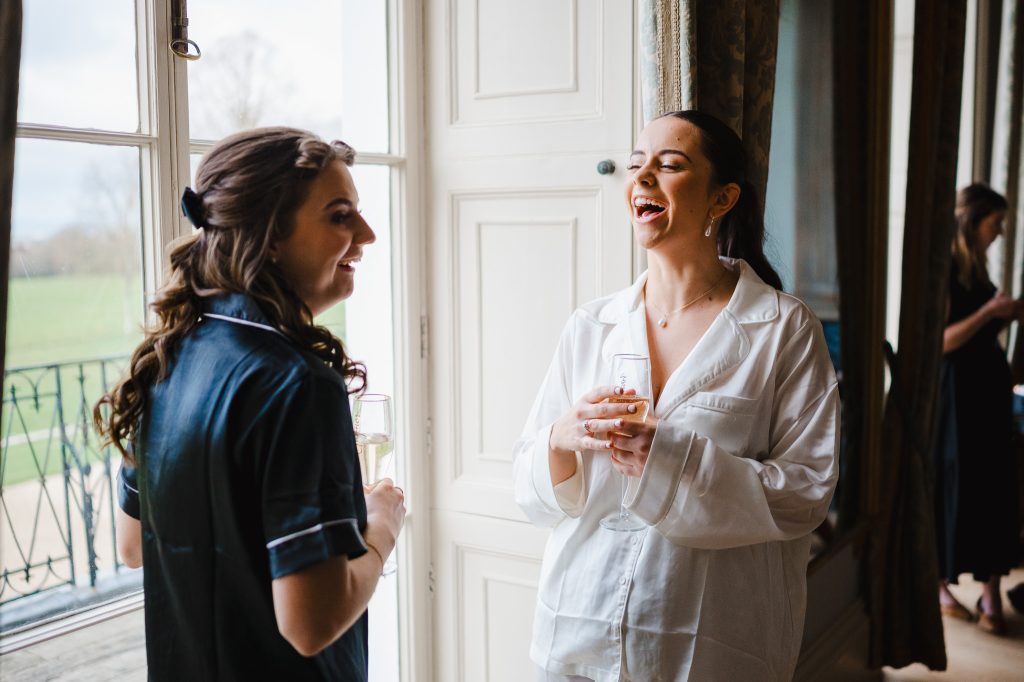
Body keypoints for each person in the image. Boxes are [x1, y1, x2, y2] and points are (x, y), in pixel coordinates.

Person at [513, 110, 840, 681]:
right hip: (578, 631)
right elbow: (530, 486)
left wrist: (673, 459)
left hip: (710, 643)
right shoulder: (591, 326)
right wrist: (560, 441)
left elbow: (806, 493)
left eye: (668, 165)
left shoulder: (784, 330)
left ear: (722, 199)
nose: (641, 178)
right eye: (637, 165)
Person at [94, 127, 406, 680]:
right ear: (271, 235)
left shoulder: (167, 355)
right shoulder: (300, 384)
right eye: (340, 215)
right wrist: (379, 528)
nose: (368, 234)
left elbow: (133, 545)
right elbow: (309, 624)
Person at [934, 183, 1020, 636]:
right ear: (973, 220)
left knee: (996, 488)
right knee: (958, 484)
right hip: (959, 398)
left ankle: (990, 594)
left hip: (988, 395)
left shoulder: (976, 267)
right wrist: (990, 312)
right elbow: (943, 342)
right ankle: (942, 587)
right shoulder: (945, 267)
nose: (1000, 232)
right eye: (996, 223)